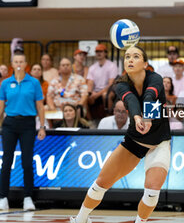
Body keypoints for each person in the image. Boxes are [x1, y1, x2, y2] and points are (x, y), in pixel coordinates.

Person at [70, 46, 171, 223]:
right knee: (101, 183)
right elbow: (130, 100)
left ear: (145, 63)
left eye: (136, 56)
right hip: (135, 141)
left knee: (152, 190)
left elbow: (149, 97)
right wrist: (138, 117)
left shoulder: (155, 78)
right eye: (127, 57)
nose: (130, 60)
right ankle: (81, 219)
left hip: (159, 142)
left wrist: (146, 118)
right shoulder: (120, 84)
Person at [0, 53, 46, 211]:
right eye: (16, 61)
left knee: (27, 162)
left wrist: (42, 126)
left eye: (21, 61)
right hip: (9, 124)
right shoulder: (5, 83)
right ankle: (3, 197)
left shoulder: (33, 83)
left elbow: (40, 106)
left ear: (25, 64)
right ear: (12, 64)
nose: (18, 64)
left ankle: (28, 198)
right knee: (6, 161)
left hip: (28, 124)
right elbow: (1, 107)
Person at [87, 44, 119, 121]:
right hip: (96, 91)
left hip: (109, 89)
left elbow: (111, 84)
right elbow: (90, 83)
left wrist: (97, 94)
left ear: (105, 53)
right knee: (85, 96)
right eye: (97, 51)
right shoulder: (92, 67)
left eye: (100, 51)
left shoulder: (112, 65)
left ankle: (109, 118)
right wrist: (90, 93)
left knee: (106, 95)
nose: (98, 53)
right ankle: (90, 121)